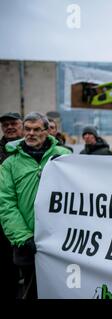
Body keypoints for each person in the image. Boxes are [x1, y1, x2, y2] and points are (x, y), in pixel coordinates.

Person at [0, 112, 71, 299]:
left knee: (62, 288)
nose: (31, 133)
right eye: (27, 129)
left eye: (36, 129)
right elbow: (6, 203)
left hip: (60, 240)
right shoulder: (10, 164)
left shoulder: (64, 156)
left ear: (47, 131)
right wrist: (23, 237)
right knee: (32, 289)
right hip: (27, 243)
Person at [0, 112, 23, 299]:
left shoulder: (30, 149)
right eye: (5, 124)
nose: (9, 127)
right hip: (4, 214)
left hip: (25, 216)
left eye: (13, 123)